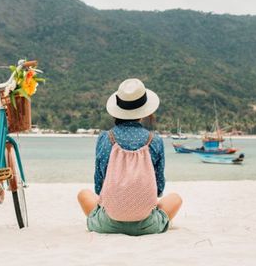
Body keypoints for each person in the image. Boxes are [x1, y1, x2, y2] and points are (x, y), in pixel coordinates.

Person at [77, 78, 182, 236]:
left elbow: (99, 187)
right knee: (176, 198)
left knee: (83, 194)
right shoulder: (155, 141)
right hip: (147, 225)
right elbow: (159, 188)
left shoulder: (105, 138)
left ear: (117, 109)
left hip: (107, 223)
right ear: (144, 111)